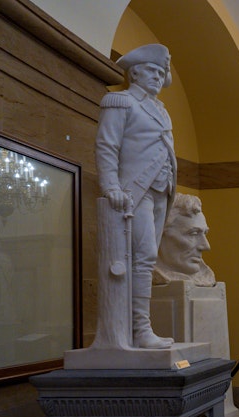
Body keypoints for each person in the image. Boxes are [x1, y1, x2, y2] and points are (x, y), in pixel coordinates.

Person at [96, 43, 177, 348]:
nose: (158, 77)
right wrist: (111, 186)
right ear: (135, 73)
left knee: (148, 257)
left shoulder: (160, 109)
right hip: (134, 191)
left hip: (160, 190)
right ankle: (140, 330)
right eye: (152, 71)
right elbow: (107, 146)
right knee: (142, 258)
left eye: (161, 72)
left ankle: (140, 328)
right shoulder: (120, 102)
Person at [153, 193, 215, 286]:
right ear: (160, 234)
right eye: (193, 233)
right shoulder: (140, 275)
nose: (206, 246)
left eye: (205, 233)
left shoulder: (206, 277)